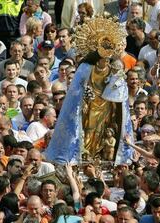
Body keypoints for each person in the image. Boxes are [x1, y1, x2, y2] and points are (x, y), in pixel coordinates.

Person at [45, 15, 133, 164]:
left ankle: (100, 155)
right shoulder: (86, 68)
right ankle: (86, 154)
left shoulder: (114, 67)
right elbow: (76, 90)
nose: (105, 59)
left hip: (107, 103)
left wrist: (117, 79)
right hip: (90, 104)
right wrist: (84, 99)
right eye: (103, 55)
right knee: (89, 130)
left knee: (104, 131)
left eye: (108, 56)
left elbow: (120, 91)